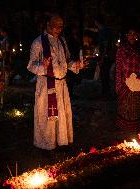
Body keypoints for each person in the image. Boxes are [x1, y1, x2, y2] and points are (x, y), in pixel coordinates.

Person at [27, 14, 87, 150]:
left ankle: (60, 141)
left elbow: (67, 61)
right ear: (48, 24)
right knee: (47, 116)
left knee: (61, 113)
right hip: (47, 85)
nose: (59, 29)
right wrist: (43, 66)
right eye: (56, 25)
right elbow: (31, 65)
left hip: (61, 85)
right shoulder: (38, 43)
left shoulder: (62, 41)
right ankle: (46, 144)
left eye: (61, 26)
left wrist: (77, 65)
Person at [115, 28, 140, 138]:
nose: (132, 36)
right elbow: (118, 67)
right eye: (130, 34)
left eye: (134, 33)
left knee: (135, 106)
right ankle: (124, 130)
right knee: (125, 106)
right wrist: (119, 83)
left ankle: (135, 130)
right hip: (125, 82)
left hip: (138, 82)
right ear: (126, 35)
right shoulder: (122, 49)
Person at [94, 15, 117, 99]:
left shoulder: (103, 32)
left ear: (96, 22)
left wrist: (102, 58)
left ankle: (106, 93)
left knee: (104, 74)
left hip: (106, 56)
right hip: (110, 55)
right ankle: (107, 92)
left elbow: (105, 45)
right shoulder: (109, 30)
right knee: (106, 74)